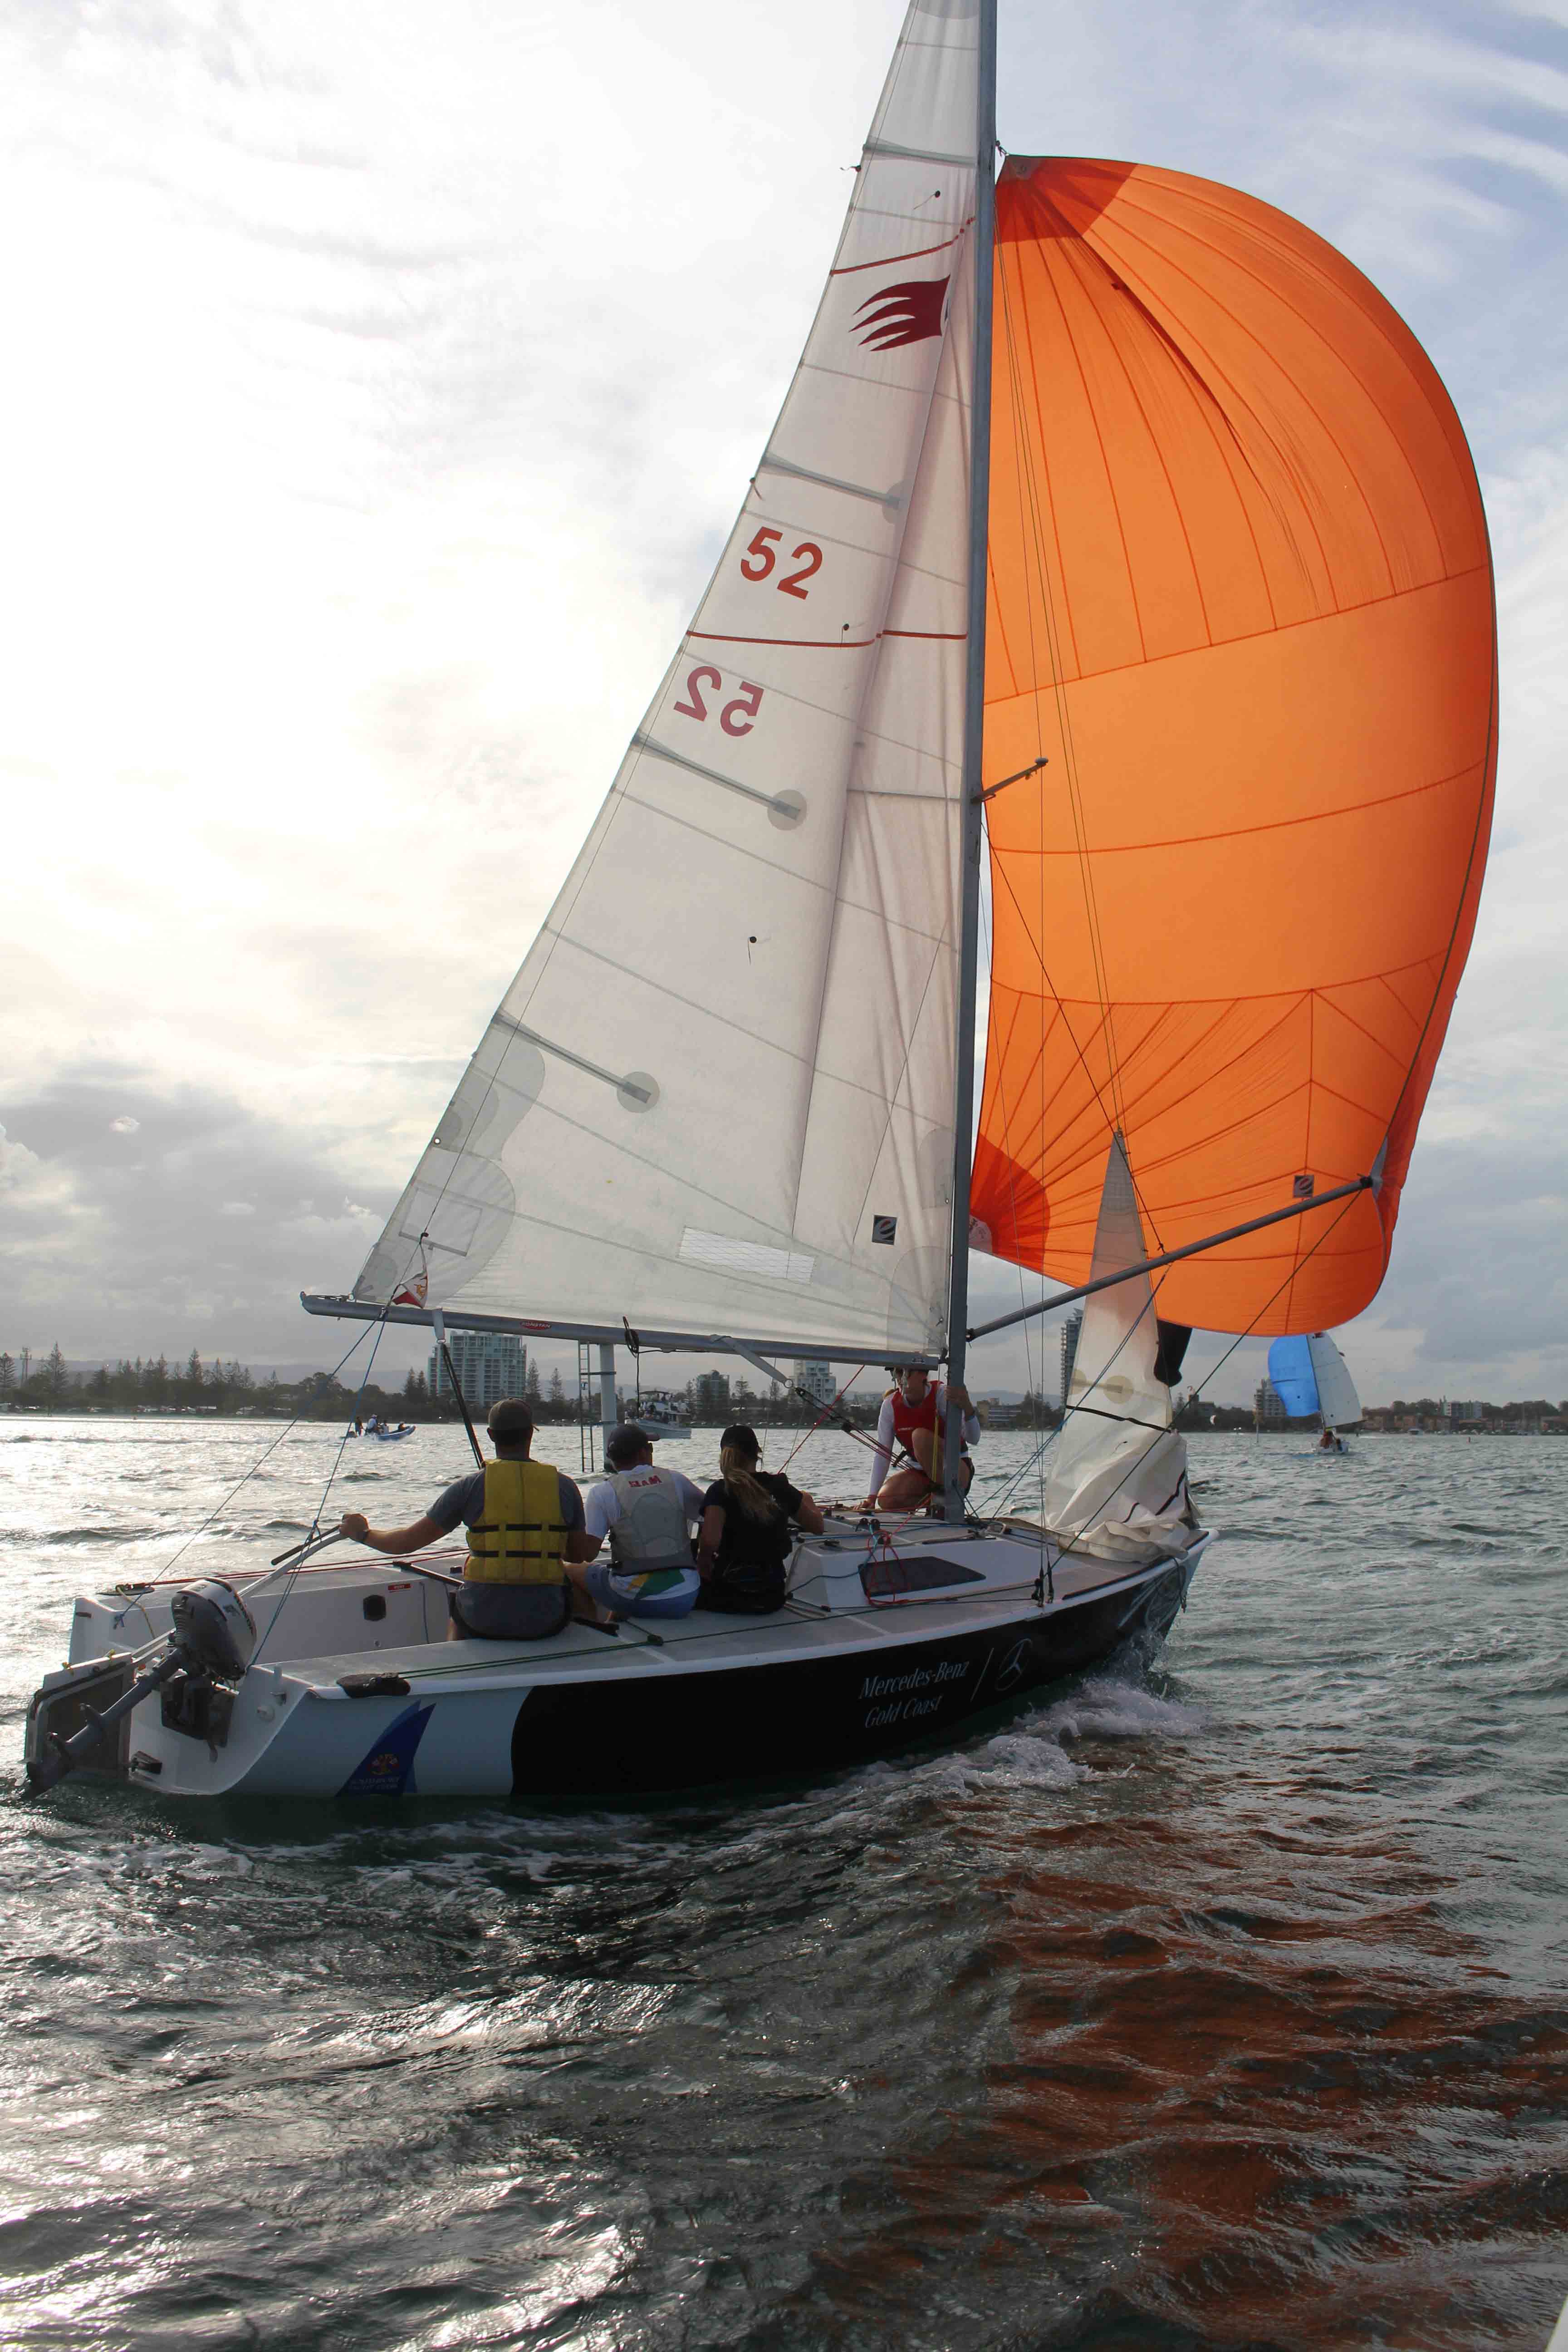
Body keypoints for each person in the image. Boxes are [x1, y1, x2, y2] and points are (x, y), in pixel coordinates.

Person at [338, 1396, 594, 1640]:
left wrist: (363, 1534)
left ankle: (458, 1660)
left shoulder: (469, 1487)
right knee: (578, 1591)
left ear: (491, 1435)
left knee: (459, 1604)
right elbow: (577, 1555)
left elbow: (405, 1543)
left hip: (481, 1617)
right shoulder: (564, 1487)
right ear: (530, 1434)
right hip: (547, 1619)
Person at [578, 1424, 705, 1621]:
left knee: (570, 1570)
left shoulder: (602, 1492)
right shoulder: (676, 1480)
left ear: (612, 1459)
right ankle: (615, 1618)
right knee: (629, 1583)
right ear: (643, 1454)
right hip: (686, 1595)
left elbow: (587, 1554)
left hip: (634, 1597)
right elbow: (709, 1516)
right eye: (650, 1448)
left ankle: (596, 1631)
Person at [696, 1424, 824, 1615]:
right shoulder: (781, 1487)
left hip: (728, 1595)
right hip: (771, 1598)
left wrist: (703, 1565)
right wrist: (807, 1501)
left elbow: (709, 1542)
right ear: (758, 1453)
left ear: (724, 1454)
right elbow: (818, 1527)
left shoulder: (720, 1490)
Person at [859, 1367, 980, 1514]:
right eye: (897, 1373)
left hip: (956, 1471)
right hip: (920, 1473)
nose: (900, 1379)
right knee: (886, 1499)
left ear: (923, 1374)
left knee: (920, 1437)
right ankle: (930, 1506)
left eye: (906, 1373)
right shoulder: (890, 1405)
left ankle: (942, 1503)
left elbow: (974, 1438)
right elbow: (883, 1453)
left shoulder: (942, 1395)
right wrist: (871, 1497)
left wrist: (967, 1406)